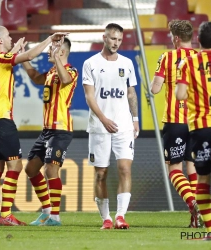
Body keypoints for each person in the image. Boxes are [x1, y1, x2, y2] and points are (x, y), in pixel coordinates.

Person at [0, 26, 68, 226]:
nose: (11, 38)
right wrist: (49, 39)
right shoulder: (0, 58)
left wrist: (14, 51)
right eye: (8, 36)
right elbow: (30, 54)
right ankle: (6, 215)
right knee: (16, 165)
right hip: (1, 120)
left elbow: (13, 59)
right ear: (0, 41)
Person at [82, 23, 139, 230]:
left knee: (125, 168)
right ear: (104, 37)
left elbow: (131, 93)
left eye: (119, 40)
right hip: (99, 126)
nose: (116, 43)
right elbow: (89, 96)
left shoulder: (127, 63)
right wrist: (104, 119)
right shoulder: (90, 63)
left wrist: (135, 119)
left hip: (123, 125)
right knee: (100, 174)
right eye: (113, 39)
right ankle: (106, 218)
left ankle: (120, 216)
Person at [150, 20, 202, 228]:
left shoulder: (167, 57)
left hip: (175, 121)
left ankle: (193, 203)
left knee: (174, 169)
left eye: (172, 36)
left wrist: (153, 82)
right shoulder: (200, 59)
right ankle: (196, 216)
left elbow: (155, 89)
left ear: (177, 38)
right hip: (196, 123)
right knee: (192, 166)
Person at [21, 37, 77, 226]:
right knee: (30, 169)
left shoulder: (71, 71)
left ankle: (55, 216)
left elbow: (66, 80)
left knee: (50, 169)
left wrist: (58, 59)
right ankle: (46, 212)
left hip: (61, 129)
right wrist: (22, 57)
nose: (48, 50)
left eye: (53, 48)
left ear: (62, 52)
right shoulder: (51, 72)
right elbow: (35, 77)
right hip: (46, 131)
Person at [176, 21, 211, 240]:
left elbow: (180, 95)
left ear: (198, 40)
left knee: (203, 178)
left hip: (201, 127)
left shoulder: (188, 63)